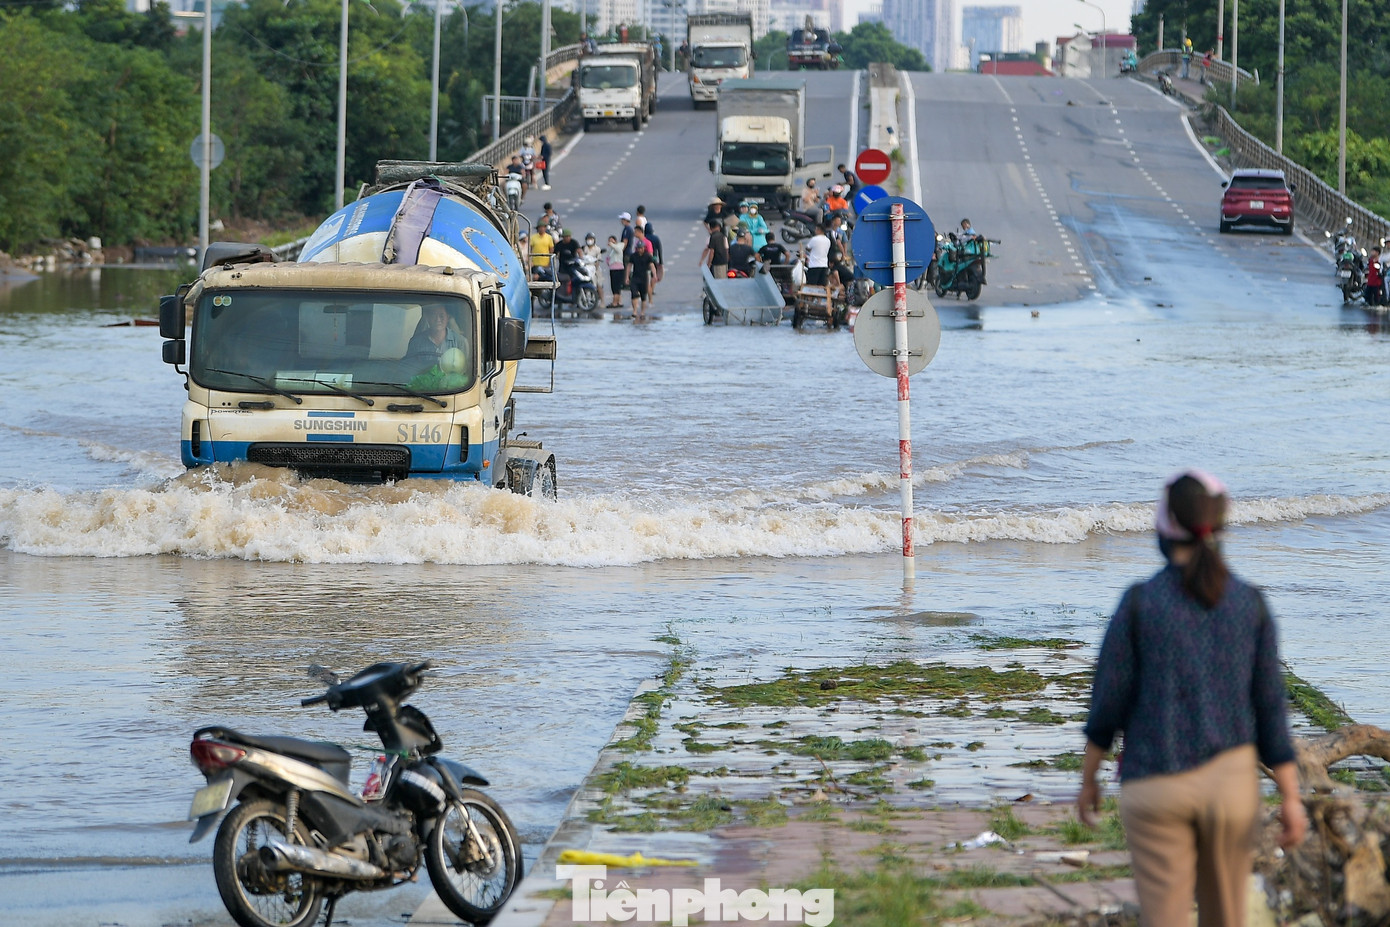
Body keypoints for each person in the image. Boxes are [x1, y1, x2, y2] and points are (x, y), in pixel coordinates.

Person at [1079, 471, 1306, 927]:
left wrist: (1089, 779)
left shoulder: (1139, 603)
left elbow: (1108, 702)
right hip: (1230, 789)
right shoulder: (1250, 604)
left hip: (1154, 783)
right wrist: (1290, 797)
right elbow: (1270, 710)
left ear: (1164, 528)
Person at [625, 226, 655, 320]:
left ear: (644, 248)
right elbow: (629, 266)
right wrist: (627, 277)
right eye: (638, 248)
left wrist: (654, 275)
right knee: (634, 293)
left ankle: (642, 312)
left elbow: (652, 265)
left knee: (643, 296)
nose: (640, 250)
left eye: (641, 248)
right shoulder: (634, 256)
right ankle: (634, 311)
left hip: (644, 278)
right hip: (635, 277)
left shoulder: (647, 256)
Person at [581, 233, 604, 304]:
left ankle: (602, 302)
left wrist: (595, 267)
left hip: (595, 268)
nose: (589, 241)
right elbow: (582, 257)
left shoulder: (597, 249)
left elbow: (598, 260)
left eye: (591, 239)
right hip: (586, 268)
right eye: (588, 239)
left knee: (599, 285)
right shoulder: (584, 248)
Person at [604, 235, 626, 308]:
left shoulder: (619, 246)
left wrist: (612, 244)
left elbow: (618, 250)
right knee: (614, 286)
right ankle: (618, 301)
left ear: (615, 241)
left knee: (616, 287)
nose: (610, 242)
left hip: (618, 269)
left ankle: (614, 303)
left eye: (612, 240)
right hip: (612, 269)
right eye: (609, 241)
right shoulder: (612, 250)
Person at [643, 222, 664, 295]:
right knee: (653, 274)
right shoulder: (656, 238)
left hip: (644, 258)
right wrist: (661, 261)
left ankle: (646, 288)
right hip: (654, 257)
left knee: (645, 274)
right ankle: (652, 289)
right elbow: (660, 250)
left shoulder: (644, 238)